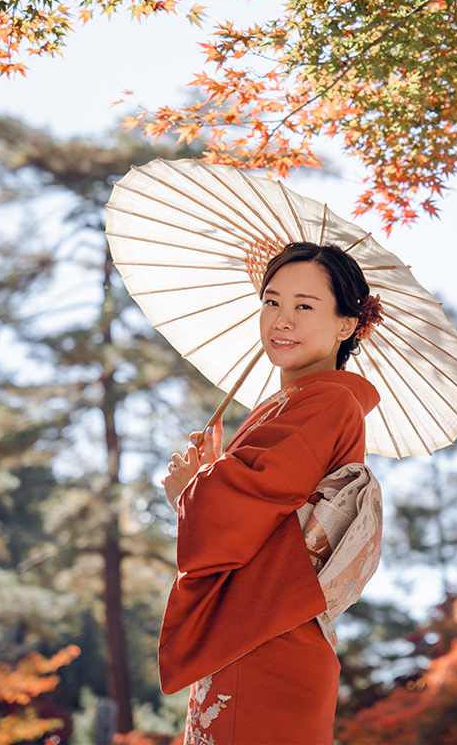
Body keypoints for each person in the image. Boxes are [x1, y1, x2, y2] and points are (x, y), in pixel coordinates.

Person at [159, 242, 383, 745]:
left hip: (267, 634)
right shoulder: (290, 404)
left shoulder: (328, 401)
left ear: (346, 325)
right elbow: (267, 500)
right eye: (271, 301)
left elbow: (253, 498)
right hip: (263, 624)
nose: (281, 320)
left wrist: (193, 489)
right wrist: (216, 472)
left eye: (305, 306)